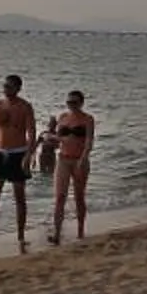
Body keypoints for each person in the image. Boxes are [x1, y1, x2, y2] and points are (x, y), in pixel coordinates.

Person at [0, 75, 38, 255]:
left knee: (19, 197)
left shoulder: (25, 107)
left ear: (18, 88)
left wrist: (29, 155)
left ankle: (20, 236)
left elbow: (32, 132)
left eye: (9, 86)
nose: (6, 88)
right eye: (4, 85)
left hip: (18, 153)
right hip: (0, 153)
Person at [50, 90, 98, 245]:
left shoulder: (87, 119)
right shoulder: (63, 118)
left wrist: (84, 158)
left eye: (75, 103)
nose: (71, 105)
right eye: (69, 102)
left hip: (79, 160)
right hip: (63, 159)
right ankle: (56, 233)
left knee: (79, 196)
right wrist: (50, 133)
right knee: (59, 196)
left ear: (81, 103)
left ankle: (80, 230)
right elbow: (58, 141)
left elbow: (89, 141)